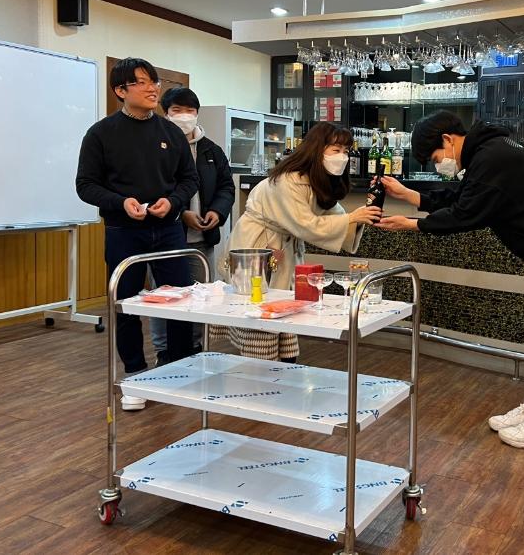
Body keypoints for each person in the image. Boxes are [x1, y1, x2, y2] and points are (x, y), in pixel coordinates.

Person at [376, 111, 524, 449]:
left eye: (435, 157)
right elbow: (464, 199)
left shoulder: (491, 156)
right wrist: (409, 195)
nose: (438, 164)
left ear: (447, 140)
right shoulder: (485, 154)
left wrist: (413, 224)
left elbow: (465, 214)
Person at [76, 57, 199, 411]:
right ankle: (135, 375)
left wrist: (172, 201)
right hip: (124, 231)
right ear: (120, 90)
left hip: (169, 229)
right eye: (142, 82)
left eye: (154, 81)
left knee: (180, 300)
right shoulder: (101, 133)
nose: (152, 88)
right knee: (126, 303)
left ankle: (178, 370)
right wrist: (120, 202)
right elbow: (85, 185)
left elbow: (188, 179)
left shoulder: (170, 133)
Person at [218, 122, 381, 362]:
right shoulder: (288, 181)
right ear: (317, 149)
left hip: (284, 245)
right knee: (259, 306)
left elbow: (334, 214)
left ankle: (283, 363)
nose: (343, 157)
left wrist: (360, 218)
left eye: (346, 151)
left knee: (283, 306)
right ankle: (260, 367)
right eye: (336, 150)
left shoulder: (316, 178)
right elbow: (306, 225)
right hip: (259, 244)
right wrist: (351, 218)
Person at [148, 86, 234, 364]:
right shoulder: (155, 145)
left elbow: (226, 187)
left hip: (202, 240)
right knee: (164, 296)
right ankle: (164, 351)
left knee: (200, 296)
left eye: (190, 110)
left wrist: (218, 212)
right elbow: (151, 188)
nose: (184, 116)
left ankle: (194, 347)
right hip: (165, 237)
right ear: (166, 113)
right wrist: (181, 212)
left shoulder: (211, 150)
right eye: (177, 110)